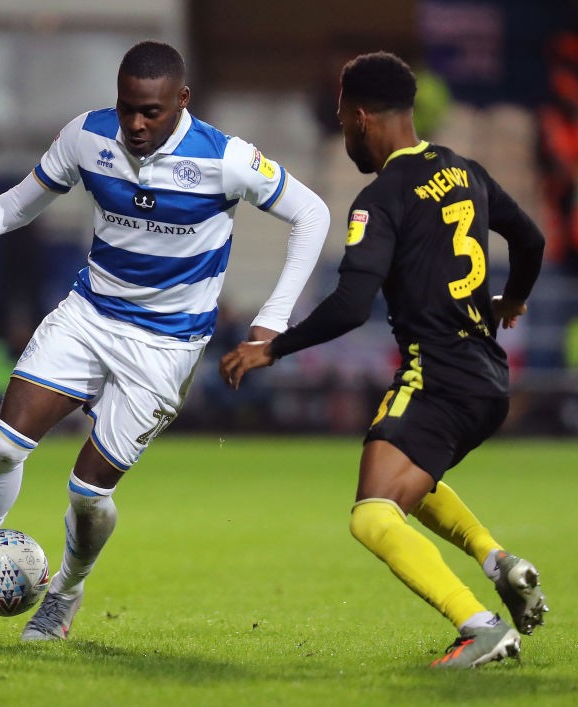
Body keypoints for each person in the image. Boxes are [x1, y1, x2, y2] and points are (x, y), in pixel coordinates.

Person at [0, 41, 330, 642]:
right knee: (0, 447)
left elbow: (314, 215)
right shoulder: (86, 138)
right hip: (90, 316)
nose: (136, 124)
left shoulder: (225, 159)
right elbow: (15, 209)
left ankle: (64, 594)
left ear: (182, 101)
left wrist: (273, 318)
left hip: (166, 347)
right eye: (127, 109)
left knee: (87, 493)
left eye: (151, 111)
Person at [220, 52, 548, 669]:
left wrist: (273, 348)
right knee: (407, 481)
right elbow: (530, 239)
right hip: (486, 379)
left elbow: (349, 306)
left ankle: (478, 627)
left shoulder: (382, 198)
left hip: (436, 375)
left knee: (372, 516)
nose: (346, 135)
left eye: (344, 122)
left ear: (363, 118)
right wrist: (513, 301)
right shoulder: (465, 170)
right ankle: (498, 561)